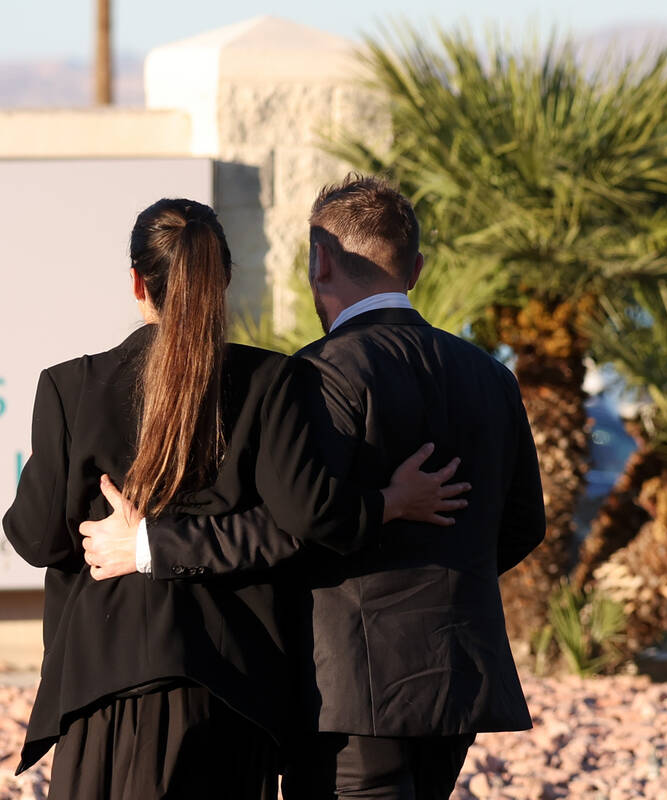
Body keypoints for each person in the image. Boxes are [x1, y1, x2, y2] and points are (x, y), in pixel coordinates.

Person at [80, 177, 547, 800]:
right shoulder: (491, 376)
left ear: (319, 261)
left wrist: (149, 547)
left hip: (351, 689)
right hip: (461, 681)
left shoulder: (318, 373)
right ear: (415, 269)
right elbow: (523, 524)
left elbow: (293, 523)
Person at [1, 197, 468, 800]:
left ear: (138, 282)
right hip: (236, 686)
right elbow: (301, 522)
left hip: (105, 679)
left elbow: (37, 537)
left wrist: (125, 539)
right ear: (221, 279)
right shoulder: (275, 380)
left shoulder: (70, 386)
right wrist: (386, 502)